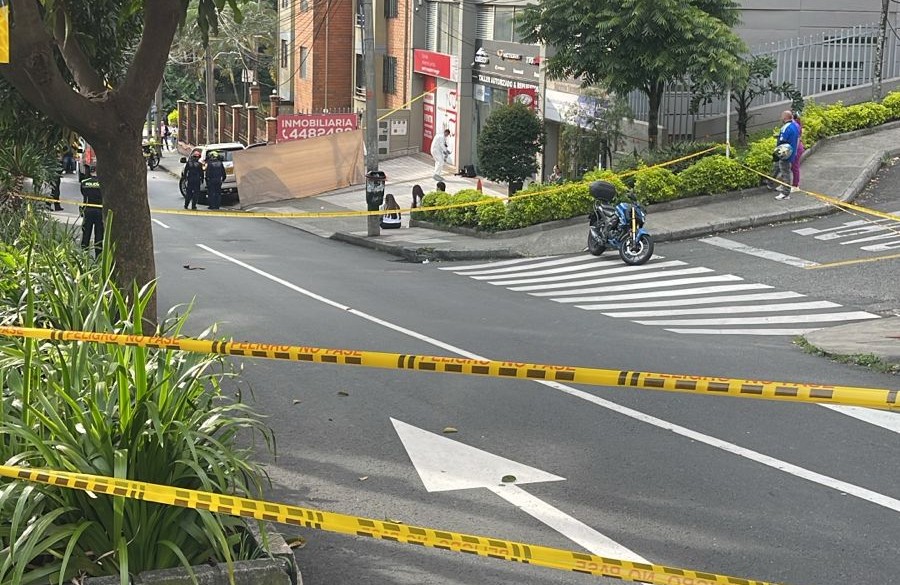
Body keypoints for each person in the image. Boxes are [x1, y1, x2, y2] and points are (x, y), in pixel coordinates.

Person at [770, 109, 799, 200]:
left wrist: (777, 153)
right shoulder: (794, 126)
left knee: (785, 172)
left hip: (784, 154)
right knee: (784, 171)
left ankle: (785, 193)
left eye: (782, 116)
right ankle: (783, 187)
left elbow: (782, 141)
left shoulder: (785, 128)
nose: (781, 118)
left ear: (785, 117)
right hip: (791, 152)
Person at [79, 170, 103, 256]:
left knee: (86, 234)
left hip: (88, 210)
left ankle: (83, 254)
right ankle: (98, 256)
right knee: (99, 235)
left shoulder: (84, 182)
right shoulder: (103, 183)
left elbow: (83, 193)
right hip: (100, 211)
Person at [791, 111, 804, 190]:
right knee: (789, 167)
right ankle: (786, 184)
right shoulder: (794, 124)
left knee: (794, 167)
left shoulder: (795, 125)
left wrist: (795, 151)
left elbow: (797, 139)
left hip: (796, 149)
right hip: (794, 148)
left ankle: (795, 185)